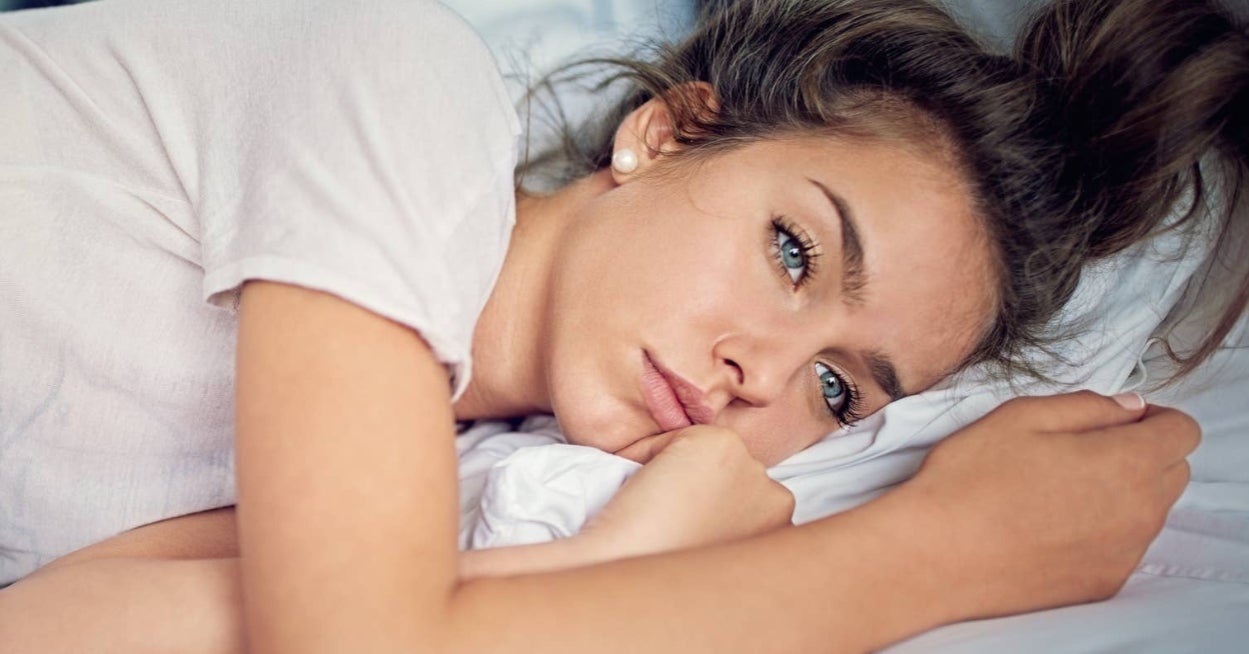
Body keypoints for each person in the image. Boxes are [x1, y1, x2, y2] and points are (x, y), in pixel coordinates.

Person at [0, 0, 1243, 651]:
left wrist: (610, 558)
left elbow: (46, 631)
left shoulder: (437, 471)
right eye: (793, 250)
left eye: (837, 390)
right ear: (668, 132)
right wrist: (936, 554)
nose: (759, 373)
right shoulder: (402, 83)